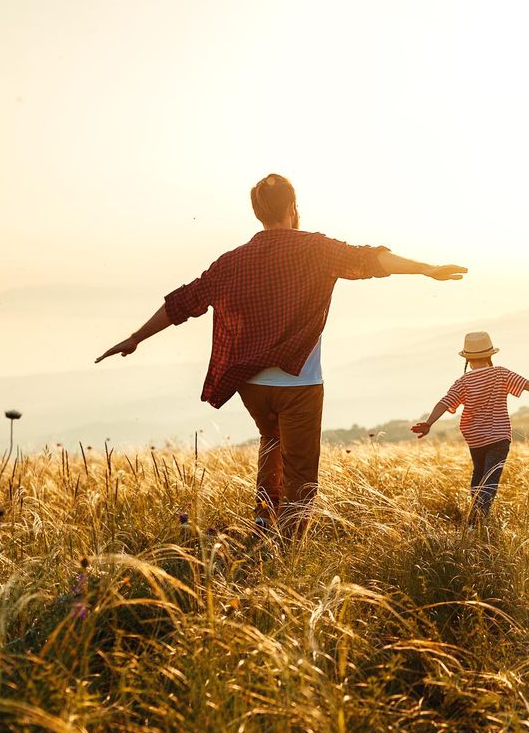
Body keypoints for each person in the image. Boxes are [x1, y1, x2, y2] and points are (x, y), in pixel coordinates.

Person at [96, 173, 467, 538]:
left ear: (258, 212)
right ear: (292, 207)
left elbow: (184, 302)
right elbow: (370, 259)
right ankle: (288, 548)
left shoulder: (232, 261)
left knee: (270, 440)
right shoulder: (316, 249)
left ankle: (263, 521)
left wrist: (135, 337)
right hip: (299, 384)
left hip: (251, 385)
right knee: (301, 472)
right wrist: (426, 269)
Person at [411, 331, 529, 522]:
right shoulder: (501, 373)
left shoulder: (463, 382)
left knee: (478, 475)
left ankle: (475, 518)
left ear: (468, 360)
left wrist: (429, 423)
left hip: (475, 439)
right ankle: (478, 519)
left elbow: (444, 402)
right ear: (490, 355)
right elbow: (527, 385)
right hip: (499, 437)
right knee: (490, 479)